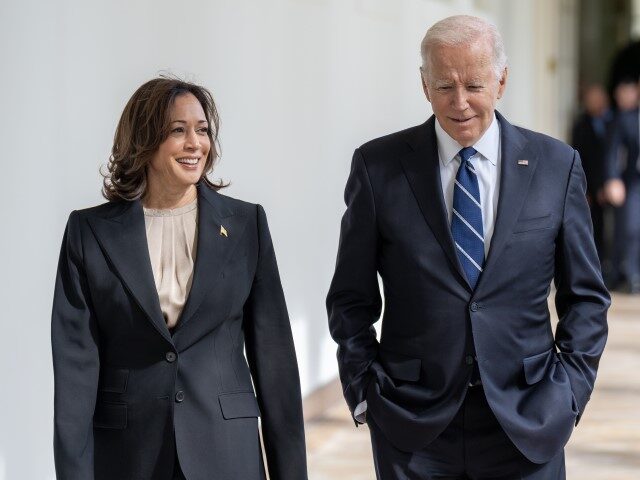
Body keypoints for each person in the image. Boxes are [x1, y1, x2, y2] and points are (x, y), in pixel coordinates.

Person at [327, 15, 609, 480]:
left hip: (528, 417)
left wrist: (569, 393)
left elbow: (586, 296)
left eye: (474, 84)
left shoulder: (557, 166)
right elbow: (349, 298)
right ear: (423, 85)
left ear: (502, 80)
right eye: (444, 86)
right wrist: (364, 390)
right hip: (412, 424)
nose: (459, 103)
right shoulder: (378, 168)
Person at [51, 77, 308, 480]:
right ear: (144, 140)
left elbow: (274, 360)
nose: (195, 143)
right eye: (178, 130)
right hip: (129, 453)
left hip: (226, 448)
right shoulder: (89, 232)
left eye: (202, 130)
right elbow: (74, 372)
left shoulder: (245, 225)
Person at [605, 78, 640, 293]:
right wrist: (612, 179)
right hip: (634, 180)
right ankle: (630, 274)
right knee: (630, 227)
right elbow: (612, 151)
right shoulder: (626, 119)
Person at [571, 84, 612, 261]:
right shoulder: (580, 126)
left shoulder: (613, 121)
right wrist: (584, 190)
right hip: (590, 187)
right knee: (592, 229)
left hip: (611, 184)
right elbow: (578, 158)